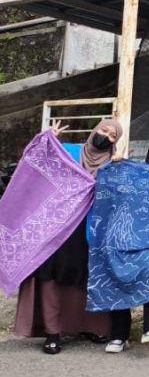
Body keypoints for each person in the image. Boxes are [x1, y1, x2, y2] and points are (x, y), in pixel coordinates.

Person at [14, 118, 120, 354]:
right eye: (104, 130)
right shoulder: (68, 151)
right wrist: (47, 139)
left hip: (90, 229)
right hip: (56, 226)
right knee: (50, 276)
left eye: (113, 136)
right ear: (95, 130)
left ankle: (90, 326)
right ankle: (52, 333)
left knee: (85, 277)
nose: (107, 136)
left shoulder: (113, 165)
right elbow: (34, 162)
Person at [105, 137, 149, 352]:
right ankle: (118, 336)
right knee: (121, 280)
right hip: (123, 237)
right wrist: (114, 163)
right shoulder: (130, 170)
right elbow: (107, 180)